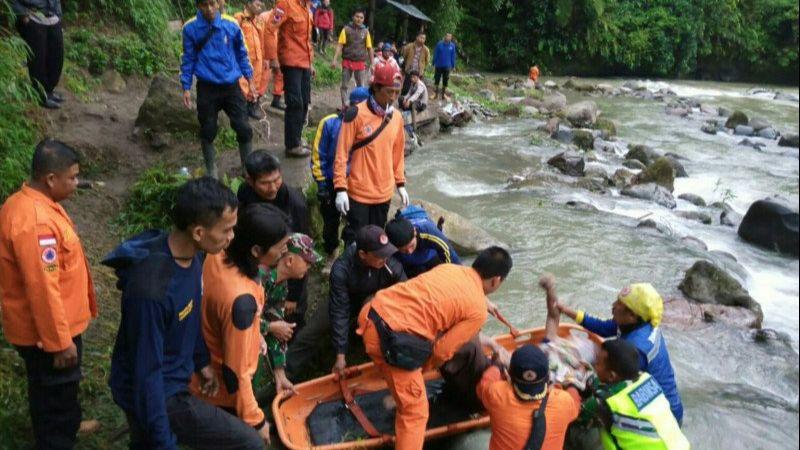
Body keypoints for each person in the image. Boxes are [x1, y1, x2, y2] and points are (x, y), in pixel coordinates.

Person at [105, 177, 263, 449]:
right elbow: (147, 374)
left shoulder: (192, 257)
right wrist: (164, 442)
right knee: (249, 443)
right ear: (199, 232)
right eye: (226, 230)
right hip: (160, 391)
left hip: (175, 375)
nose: (232, 237)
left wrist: (201, 361)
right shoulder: (152, 290)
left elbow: (189, 314)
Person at [356, 246, 513, 450]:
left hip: (370, 314)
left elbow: (438, 299)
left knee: (407, 364)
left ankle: (398, 389)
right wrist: (420, 374)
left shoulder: (449, 269)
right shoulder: (477, 310)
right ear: (496, 280)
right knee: (416, 412)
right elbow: (442, 351)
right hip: (390, 340)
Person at [0, 139, 98, 449]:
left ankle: (67, 423)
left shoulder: (30, 202)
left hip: (52, 327)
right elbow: (42, 287)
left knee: (54, 388)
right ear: (50, 179)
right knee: (56, 384)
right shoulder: (36, 222)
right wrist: (58, 342)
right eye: (72, 177)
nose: (76, 183)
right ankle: (57, 438)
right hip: (48, 333)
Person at [188, 203, 291, 447]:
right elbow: (237, 373)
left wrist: (257, 334)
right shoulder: (241, 302)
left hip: (202, 354)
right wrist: (255, 420)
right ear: (256, 250)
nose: (285, 252)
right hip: (220, 388)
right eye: (280, 247)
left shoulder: (219, 254)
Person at [285, 225, 406, 380]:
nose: (386, 258)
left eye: (387, 253)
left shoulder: (390, 265)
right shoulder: (342, 269)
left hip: (376, 301)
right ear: (363, 254)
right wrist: (340, 354)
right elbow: (339, 310)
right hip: (345, 300)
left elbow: (406, 292)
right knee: (311, 332)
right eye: (380, 255)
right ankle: (285, 376)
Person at [556, 283, 685, 424]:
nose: (613, 306)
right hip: (658, 400)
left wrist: (574, 382)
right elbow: (603, 328)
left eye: (619, 304)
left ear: (631, 315)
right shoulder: (636, 322)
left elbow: (611, 383)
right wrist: (566, 311)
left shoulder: (635, 349)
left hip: (662, 416)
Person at [333, 63, 409, 245]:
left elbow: (397, 153)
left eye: (397, 93)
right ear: (375, 88)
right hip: (359, 192)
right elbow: (341, 154)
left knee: (376, 241)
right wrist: (340, 188)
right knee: (355, 240)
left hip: (384, 193)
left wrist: (400, 183)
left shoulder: (396, 118)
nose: (393, 97)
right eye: (389, 92)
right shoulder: (356, 114)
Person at [181, 0, 256, 179]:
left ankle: (248, 169)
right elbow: (187, 58)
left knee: (243, 127)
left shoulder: (230, 24)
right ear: (198, 6)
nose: (209, 9)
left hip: (231, 87)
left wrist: (250, 79)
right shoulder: (190, 28)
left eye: (212, 3)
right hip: (207, 88)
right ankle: (211, 171)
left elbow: (241, 52)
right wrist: (186, 86)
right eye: (204, 5)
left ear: (219, 3)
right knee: (207, 130)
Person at [238, 151, 310, 328]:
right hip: (257, 266)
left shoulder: (295, 204)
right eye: (264, 183)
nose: (272, 188)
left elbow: (302, 252)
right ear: (250, 181)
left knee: (291, 319)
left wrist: (294, 295)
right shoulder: (244, 195)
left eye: (276, 180)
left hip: (287, 273)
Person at [585, 339, 690, 450]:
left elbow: (574, 408)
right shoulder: (647, 378)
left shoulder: (607, 402)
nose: (594, 365)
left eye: (597, 363)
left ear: (611, 376)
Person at [310, 87, 371, 273]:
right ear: (349, 104)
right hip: (331, 182)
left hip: (356, 184)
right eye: (356, 105)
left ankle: (351, 257)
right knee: (330, 222)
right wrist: (321, 184)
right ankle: (332, 253)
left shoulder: (370, 125)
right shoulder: (329, 123)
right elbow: (318, 155)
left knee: (355, 224)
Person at [476, 344, 582, 450]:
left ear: (509, 375)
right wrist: (570, 384)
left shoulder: (497, 394)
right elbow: (575, 403)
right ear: (548, 376)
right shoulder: (564, 401)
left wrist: (497, 365)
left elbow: (483, 385)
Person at [261, 233, 321, 392]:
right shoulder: (260, 279)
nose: (309, 268)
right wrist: (270, 327)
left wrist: (280, 372)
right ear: (289, 260)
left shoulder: (281, 285)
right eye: (307, 262)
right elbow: (242, 319)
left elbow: (277, 325)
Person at [264, 0, 315, 158]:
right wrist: (272, 58)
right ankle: (292, 145)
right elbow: (270, 29)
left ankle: (297, 140)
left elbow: (306, 39)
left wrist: (310, 63)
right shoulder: (285, 4)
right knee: (295, 103)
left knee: (305, 102)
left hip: (304, 62)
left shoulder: (307, 7)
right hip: (290, 61)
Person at [11, 0, 64, 109]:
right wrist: (23, 15)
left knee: (56, 55)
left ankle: (49, 90)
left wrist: (58, 14)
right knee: (38, 59)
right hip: (33, 19)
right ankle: (41, 95)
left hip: (52, 17)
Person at [384, 210, 460, 278]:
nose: (409, 251)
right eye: (404, 250)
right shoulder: (390, 245)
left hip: (430, 254)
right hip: (409, 264)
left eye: (411, 246)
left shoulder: (428, 230)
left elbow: (449, 253)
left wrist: (458, 275)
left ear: (415, 232)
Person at [331, 9, 374, 108]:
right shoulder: (346, 29)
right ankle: (345, 106)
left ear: (364, 19)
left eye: (361, 17)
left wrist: (372, 63)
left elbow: (370, 48)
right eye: (357, 17)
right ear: (353, 17)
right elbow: (340, 45)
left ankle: (360, 107)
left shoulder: (366, 32)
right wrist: (334, 59)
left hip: (360, 62)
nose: (359, 19)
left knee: (361, 87)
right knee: (344, 85)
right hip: (347, 61)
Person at [235, 0, 267, 120]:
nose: (259, 7)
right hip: (245, 59)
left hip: (258, 58)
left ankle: (251, 107)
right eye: (257, 5)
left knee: (256, 83)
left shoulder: (258, 21)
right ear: (248, 5)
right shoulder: (240, 18)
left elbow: (261, 40)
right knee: (243, 84)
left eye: (260, 5)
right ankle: (241, 110)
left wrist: (264, 57)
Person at [258, 4, 285, 110]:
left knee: (280, 74)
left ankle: (277, 99)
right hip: (265, 51)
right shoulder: (264, 17)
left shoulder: (284, 17)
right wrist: (269, 56)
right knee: (264, 75)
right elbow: (262, 36)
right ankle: (255, 100)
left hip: (278, 50)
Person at [432, 33, 456, 100]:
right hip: (438, 65)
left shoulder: (452, 46)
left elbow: (453, 56)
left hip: (447, 66)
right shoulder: (439, 44)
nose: (448, 37)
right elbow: (435, 53)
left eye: (450, 37)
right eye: (447, 36)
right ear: (445, 36)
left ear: (451, 38)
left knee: (445, 81)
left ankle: (443, 95)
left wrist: (453, 66)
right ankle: (435, 94)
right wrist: (433, 63)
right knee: (437, 79)